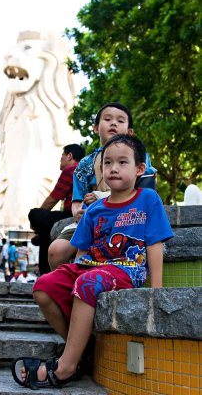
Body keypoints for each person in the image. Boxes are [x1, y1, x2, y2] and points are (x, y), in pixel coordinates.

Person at [11, 134, 174, 390]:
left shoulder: (148, 200)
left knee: (87, 282)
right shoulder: (94, 209)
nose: (113, 168)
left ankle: (66, 367)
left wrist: (156, 288)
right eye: (108, 163)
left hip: (125, 269)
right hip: (91, 267)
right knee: (43, 286)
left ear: (140, 169)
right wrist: (70, 276)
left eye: (122, 162)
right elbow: (81, 253)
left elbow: (154, 244)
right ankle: (82, 350)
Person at [48, 102, 157, 270]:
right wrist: (78, 213)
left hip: (127, 218)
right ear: (95, 127)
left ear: (130, 132)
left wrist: (99, 196)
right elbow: (78, 199)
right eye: (107, 119)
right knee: (56, 250)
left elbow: (143, 191)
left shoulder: (139, 157)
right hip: (91, 219)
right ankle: (65, 290)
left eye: (120, 121)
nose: (113, 123)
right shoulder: (85, 164)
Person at [28, 144, 85, 275]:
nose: (61, 161)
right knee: (45, 231)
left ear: (69, 156)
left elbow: (53, 199)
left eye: (62, 157)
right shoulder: (85, 169)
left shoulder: (71, 170)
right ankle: (46, 271)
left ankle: (45, 273)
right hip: (77, 213)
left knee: (35, 214)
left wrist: (37, 218)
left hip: (71, 214)